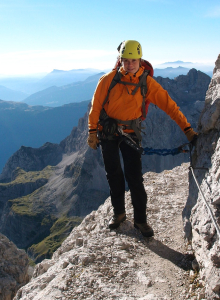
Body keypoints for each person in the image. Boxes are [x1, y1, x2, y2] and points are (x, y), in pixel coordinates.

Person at [87, 40, 197, 237]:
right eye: (126, 60)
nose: (130, 64)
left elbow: (170, 106)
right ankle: (119, 214)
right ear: (120, 60)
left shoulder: (146, 83)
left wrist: (187, 129)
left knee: (135, 178)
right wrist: (92, 132)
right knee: (114, 176)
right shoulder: (107, 80)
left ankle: (140, 221)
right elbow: (95, 108)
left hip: (130, 134)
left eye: (134, 61)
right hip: (108, 133)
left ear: (140, 60)